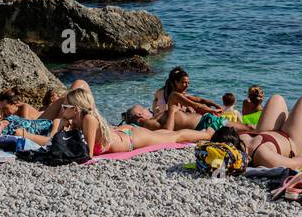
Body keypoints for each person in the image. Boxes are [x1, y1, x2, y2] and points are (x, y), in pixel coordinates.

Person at [55, 87, 214, 156]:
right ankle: (202, 132)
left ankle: (207, 134)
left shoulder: (89, 119)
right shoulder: (78, 121)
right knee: (165, 134)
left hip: (131, 138)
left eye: (66, 106)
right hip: (122, 132)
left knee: (174, 137)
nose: (62, 109)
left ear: (76, 108)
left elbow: (87, 155)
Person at [152, 67, 222, 119]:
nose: (187, 85)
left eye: (188, 83)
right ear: (175, 82)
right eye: (183, 82)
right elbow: (196, 105)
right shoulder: (173, 95)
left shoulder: (164, 92)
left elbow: (200, 100)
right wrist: (213, 110)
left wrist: (216, 105)